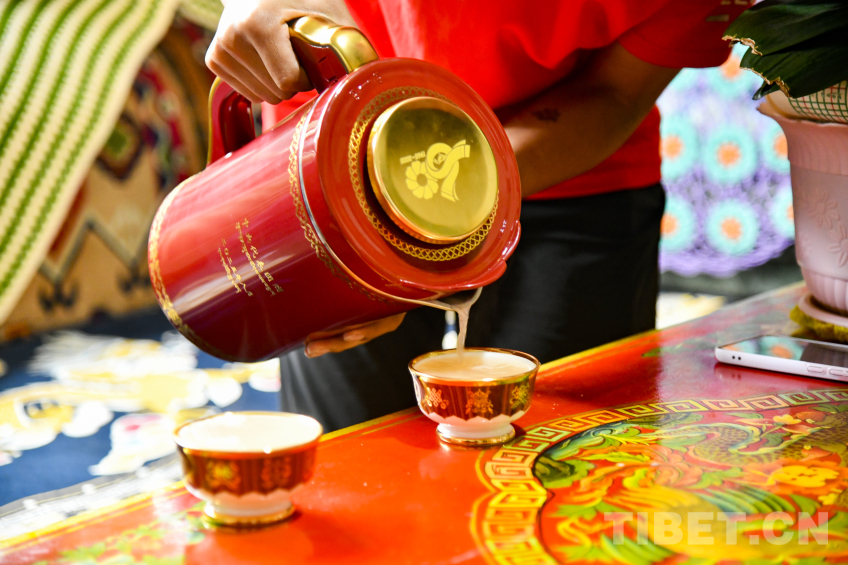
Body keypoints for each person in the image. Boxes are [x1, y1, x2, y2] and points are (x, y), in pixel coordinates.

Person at [206, 0, 751, 431]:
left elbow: (614, 92)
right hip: (330, 168)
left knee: (564, 463)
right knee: (348, 459)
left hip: (570, 177)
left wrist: (427, 195)